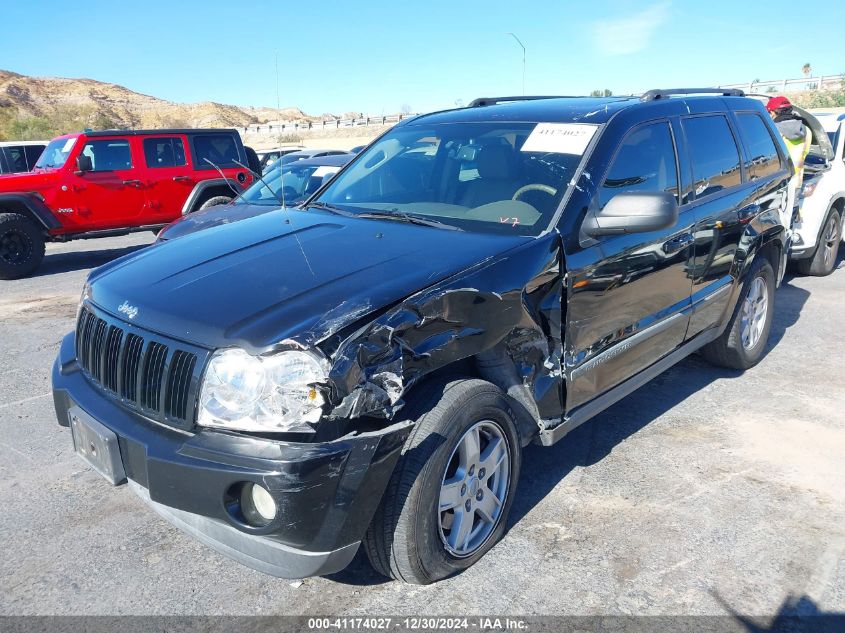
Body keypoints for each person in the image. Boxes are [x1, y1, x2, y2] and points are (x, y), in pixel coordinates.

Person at [766, 96, 812, 230]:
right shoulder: (807, 131)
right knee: (789, 224)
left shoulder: (773, 131)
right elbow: (805, 153)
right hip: (796, 182)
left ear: (773, 112)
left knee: (774, 226)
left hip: (776, 184)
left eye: (769, 113)